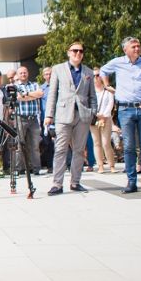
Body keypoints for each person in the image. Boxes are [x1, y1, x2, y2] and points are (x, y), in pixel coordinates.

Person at [100, 37, 141, 194]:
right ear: (125, 49)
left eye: (138, 46)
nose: (137, 49)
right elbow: (103, 70)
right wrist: (107, 85)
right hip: (125, 110)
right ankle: (131, 182)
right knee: (128, 147)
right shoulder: (117, 62)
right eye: (133, 46)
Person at [45, 42, 97, 195]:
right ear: (68, 52)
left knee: (79, 150)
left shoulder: (88, 71)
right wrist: (49, 115)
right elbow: (52, 94)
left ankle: (75, 182)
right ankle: (57, 184)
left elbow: (92, 95)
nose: (78, 54)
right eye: (75, 51)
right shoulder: (58, 69)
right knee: (60, 149)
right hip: (63, 115)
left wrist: (92, 112)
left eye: (81, 51)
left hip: (82, 115)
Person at [12, 66, 44, 175]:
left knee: (35, 145)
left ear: (28, 73)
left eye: (25, 72)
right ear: (18, 74)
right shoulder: (15, 86)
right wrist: (32, 95)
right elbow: (18, 98)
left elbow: (40, 94)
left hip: (33, 119)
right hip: (21, 118)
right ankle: (18, 169)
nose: (23, 74)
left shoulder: (35, 85)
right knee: (19, 145)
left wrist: (25, 95)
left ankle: (36, 168)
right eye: (21, 73)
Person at [91, 68, 117, 173]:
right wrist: (96, 114)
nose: (96, 78)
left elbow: (111, 103)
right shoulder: (90, 91)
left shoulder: (107, 90)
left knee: (106, 142)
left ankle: (111, 165)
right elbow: (88, 104)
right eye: (94, 76)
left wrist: (104, 115)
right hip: (94, 118)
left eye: (98, 75)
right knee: (96, 142)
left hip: (106, 118)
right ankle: (100, 165)